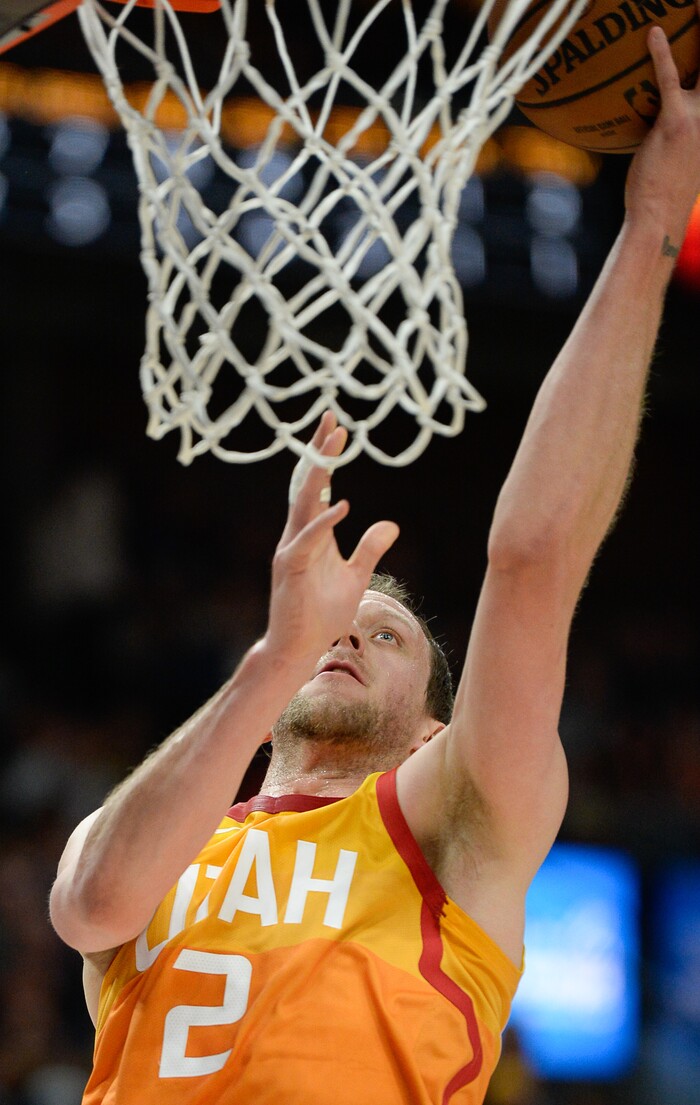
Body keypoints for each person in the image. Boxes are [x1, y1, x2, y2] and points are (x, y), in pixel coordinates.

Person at [49, 20, 700, 1105]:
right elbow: (92, 908)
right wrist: (274, 655)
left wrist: (643, 233)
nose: (348, 625)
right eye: (343, 619)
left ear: (434, 728)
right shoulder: (170, 831)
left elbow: (532, 561)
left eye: (384, 630)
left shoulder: (454, 824)